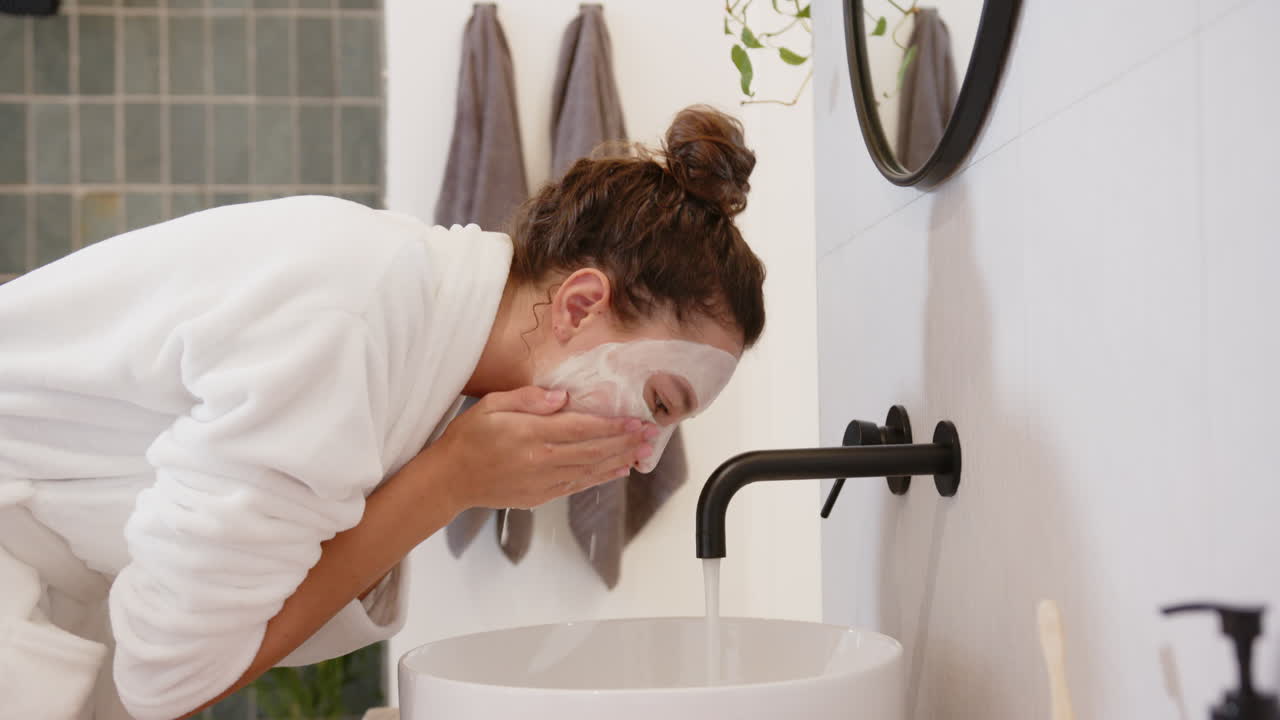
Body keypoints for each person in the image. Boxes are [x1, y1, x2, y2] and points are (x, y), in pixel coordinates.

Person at [0, 105, 765, 719]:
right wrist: (449, 481)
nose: (645, 456)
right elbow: (169, 678)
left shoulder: (424, 326)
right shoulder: (355, 321)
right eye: (660, 403)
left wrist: (453, 472)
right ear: (580, 304)